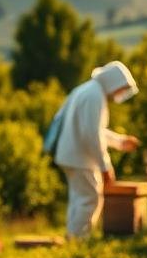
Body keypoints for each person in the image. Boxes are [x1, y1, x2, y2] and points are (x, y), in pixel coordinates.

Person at [50, 61, 141, 238]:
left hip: (71, 155)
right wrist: (105, 167)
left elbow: (93, 130)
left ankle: (73, 237)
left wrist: (120, 141)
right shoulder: (94, 95)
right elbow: (92, 135)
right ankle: (79, 240)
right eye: (122, 87)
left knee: (79, 198)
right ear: (114, 81)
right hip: (80, 157)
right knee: (89, 198)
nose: (121, 92)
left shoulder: (88, 90)